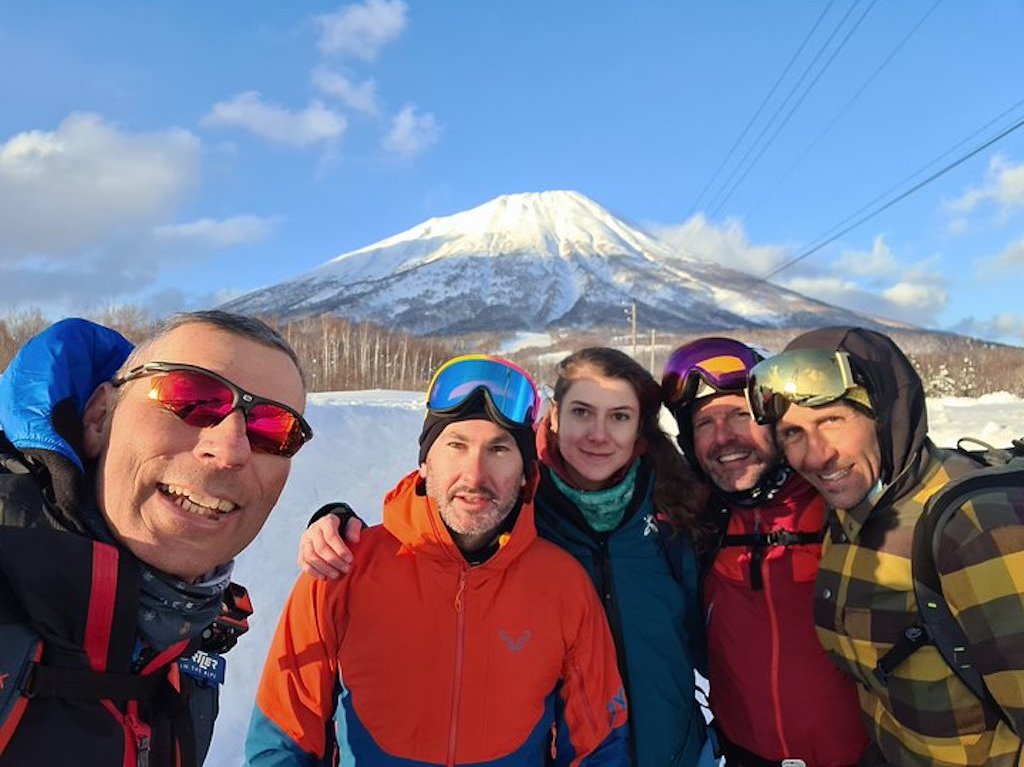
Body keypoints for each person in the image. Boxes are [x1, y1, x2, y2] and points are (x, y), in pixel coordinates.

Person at [293, 348, 709, 767]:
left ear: (640, 427)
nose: (598, 434)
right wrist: (334, 521)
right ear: (555, 417)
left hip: (676, 753)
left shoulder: (677, 513)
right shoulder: (520, 513)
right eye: (582, 412)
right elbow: (441, 516)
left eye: (619, 416)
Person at [0, 311, 312, 765]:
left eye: (274, 430)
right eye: (191, 398)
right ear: (99, 417)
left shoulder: (191, 637)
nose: (229, 450)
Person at [746, 326, 1024, 766]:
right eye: (793, 433)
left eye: (832, 420)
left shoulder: (973, 527)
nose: (815, 457)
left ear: (886, 413)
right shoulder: (848, 513)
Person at [662, 337, 868, 767]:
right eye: (703, 424)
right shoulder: (694, 526)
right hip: (743, 754)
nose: (723, 438)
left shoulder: (843, 508)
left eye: (739, 414)